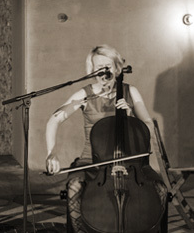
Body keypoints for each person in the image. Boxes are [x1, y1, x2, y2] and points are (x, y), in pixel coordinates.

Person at [44, 45, 166, 232]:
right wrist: (51, 152)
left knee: (160, 189)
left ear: (117, 68)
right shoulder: (85, 94)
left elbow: (148, 126)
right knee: (74, 187)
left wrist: (131, 114)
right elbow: (54, 120)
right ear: (92, 69)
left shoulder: (130, 91)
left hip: (131, 162)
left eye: (108, 66)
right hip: (92, 162)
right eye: (98, 66)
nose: (103, 71)